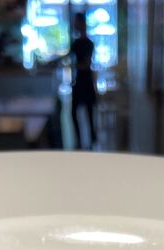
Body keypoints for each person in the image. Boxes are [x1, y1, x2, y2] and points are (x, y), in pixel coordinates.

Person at [69, 12, 96, 150]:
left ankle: (89, 139)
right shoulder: (77, 43)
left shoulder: (87, 44)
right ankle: (84, 139)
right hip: (80, 81)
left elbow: (85, 64)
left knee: (88, 112)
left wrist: (73, 65)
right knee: (79, 112)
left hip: (84, 81)